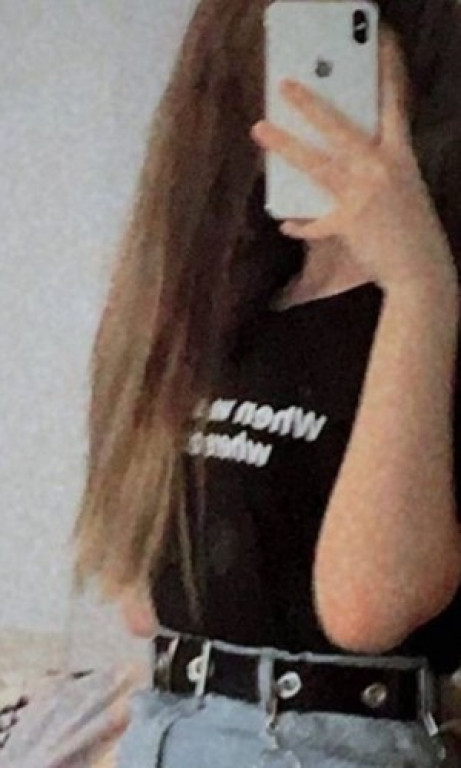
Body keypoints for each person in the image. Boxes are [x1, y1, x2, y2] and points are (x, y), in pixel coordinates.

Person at [73, 0, 461, 765]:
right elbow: (142, 595)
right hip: (166, 723)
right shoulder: (235, 301)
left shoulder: (429, 311)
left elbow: (364, 609)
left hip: (322, 739)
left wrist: (417, 288)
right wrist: (156, 283)